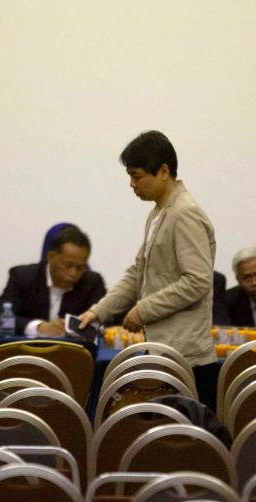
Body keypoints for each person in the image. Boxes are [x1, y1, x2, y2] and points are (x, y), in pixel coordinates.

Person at [78, 130, 217, 368]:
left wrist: (143, 310)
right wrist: (98, 312)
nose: (132, 184)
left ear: (164, 172)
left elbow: (197, 281)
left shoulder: (184, 213)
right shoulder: (158, 212)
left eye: (137, 176)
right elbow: (137, 273)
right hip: (164, 350)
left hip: (185, 356)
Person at [0, 225, 106, 336]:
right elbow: (3, 319)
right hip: (27, 349)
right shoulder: (22, 277)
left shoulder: (92, 283)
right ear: (50, 257)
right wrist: (39, 327)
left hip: (74, 350)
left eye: (80, 267)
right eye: (67, 265)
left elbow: (102, 324)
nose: (73, 273)